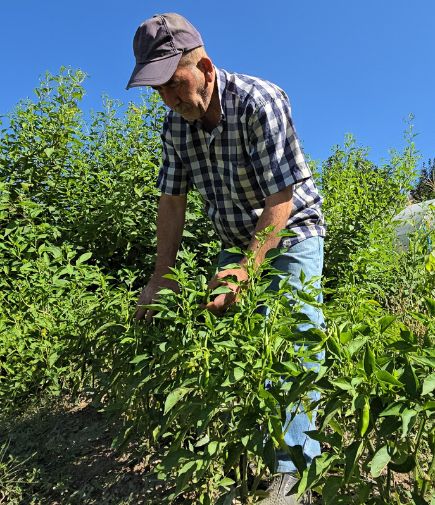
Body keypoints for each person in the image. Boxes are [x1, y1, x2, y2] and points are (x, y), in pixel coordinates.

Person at [127, 13, 326, 505]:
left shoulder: (261, 101)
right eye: (160, 91)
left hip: (291, 231)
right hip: (235, 237)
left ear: (206, 68)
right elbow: (172, 200)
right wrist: (162, 277)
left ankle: (295, 473)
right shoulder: (176, 127)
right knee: (244, 344)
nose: (170, 100)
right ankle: (263, 457)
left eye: (175, 84)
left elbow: (281, 198)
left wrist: (246, 269)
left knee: (293, 341)